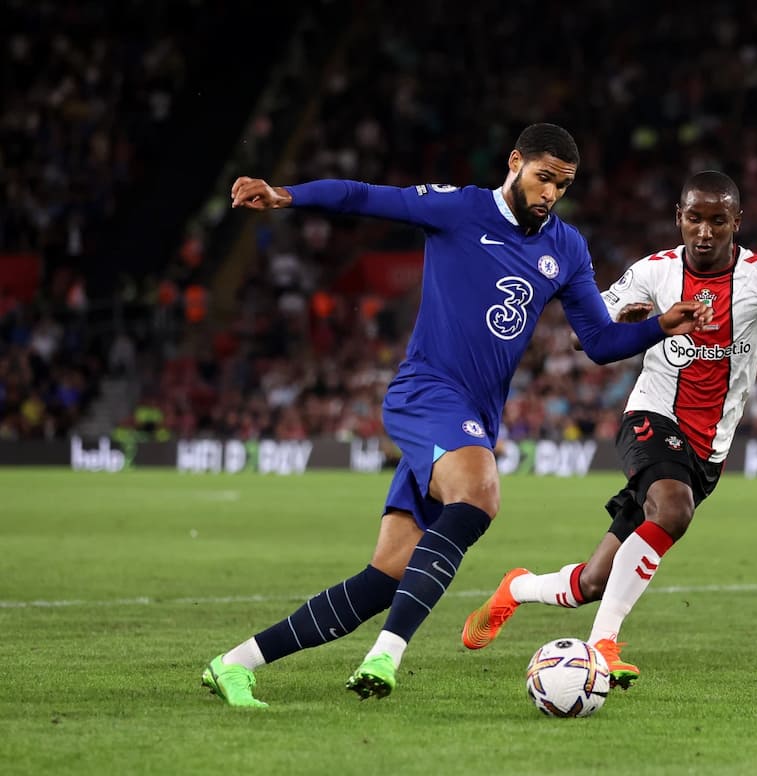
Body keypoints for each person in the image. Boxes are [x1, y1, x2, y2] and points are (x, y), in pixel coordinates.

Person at [201, 124, 713, 707]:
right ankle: (385, 655)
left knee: (384, 578)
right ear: (515, 162)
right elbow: (363, 196)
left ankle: (234, 664)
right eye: (543, 178)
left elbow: (597, 341)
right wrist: (286, 195)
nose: (550, 193)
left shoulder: (567, 248)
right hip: (426, 393)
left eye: (562, 185)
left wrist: (658, 327)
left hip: (473, 417)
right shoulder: (458, 209)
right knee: (479, 494)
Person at [460, 171, 757, 686]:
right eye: (695, 219)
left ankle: (517, 588)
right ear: (679, 217)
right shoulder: (653, 272)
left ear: (736, 222)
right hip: (651, 416)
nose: (704, 231)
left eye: (717, 220)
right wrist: (625, 324)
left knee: (593, 582)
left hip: (708, 451)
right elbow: (581, 337)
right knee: (673, 509)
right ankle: (602, 646)